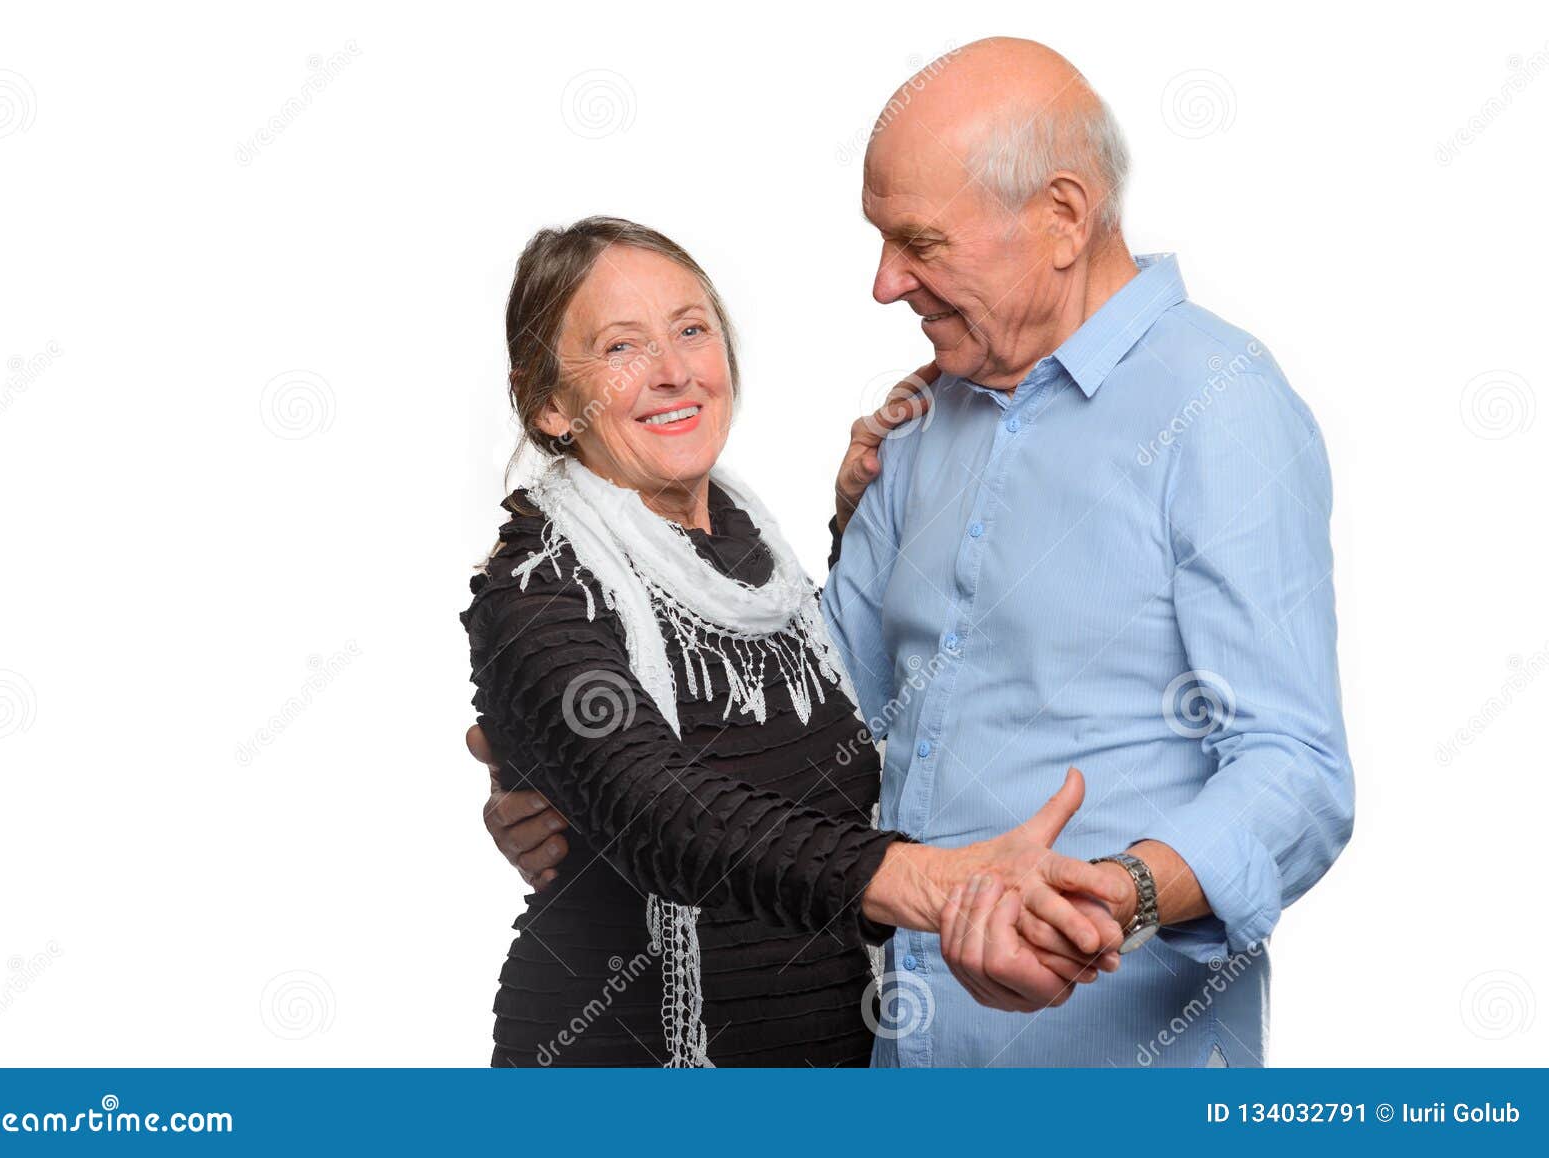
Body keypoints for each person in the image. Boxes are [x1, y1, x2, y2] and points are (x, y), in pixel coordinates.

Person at [481, 38, 1355, 1068]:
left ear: (1063, 217)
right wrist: (573, 785)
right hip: (887, 1053)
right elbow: (818, 713)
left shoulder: (1220, 405)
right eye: (881, 240)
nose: (885, 283)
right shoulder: (920, 418)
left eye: (920, 242)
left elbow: (1295, 773)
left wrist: (1123, 892)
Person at [461, 215, 1131, 1067]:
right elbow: (661, 810)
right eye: (621, 348)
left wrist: (864, 525)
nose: (674, 373)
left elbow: (802, 741)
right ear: (550, 403)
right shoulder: (535, 583)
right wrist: (935, 883)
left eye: (693, 330)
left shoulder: (747, 550)